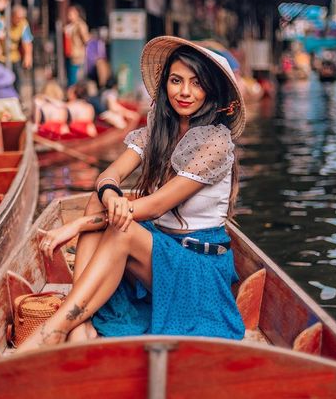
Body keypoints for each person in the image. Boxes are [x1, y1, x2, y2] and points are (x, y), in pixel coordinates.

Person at [18, 36, 246, 351]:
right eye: (176, 80)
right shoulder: (159, 129)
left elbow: (154, 207)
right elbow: (108, 176)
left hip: (198, 269)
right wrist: (110, 195)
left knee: (123, 230)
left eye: (196, 83)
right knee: (101, 198)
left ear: (211, 90)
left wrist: (77, 225)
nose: (184, 92)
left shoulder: (215, 142)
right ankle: (79, 324)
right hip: (162, 254)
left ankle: (55, 330)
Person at [8, 5, 34, 93]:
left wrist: (28, 56)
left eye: (22, 18)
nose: (20, 20)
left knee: (18, 80)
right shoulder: (3, 21)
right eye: (18, 18)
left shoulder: (23, 23)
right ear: (12, 16)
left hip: (14, 56)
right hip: (2, 57)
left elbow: (27, 41)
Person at [64, 5, 90, 87]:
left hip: (77, 56)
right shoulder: (69, 26)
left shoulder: (80, 25)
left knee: (75, 79)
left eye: (71, 13)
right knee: (69, 78)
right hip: (69, 54)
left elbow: (86, 39)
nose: (69, 16)